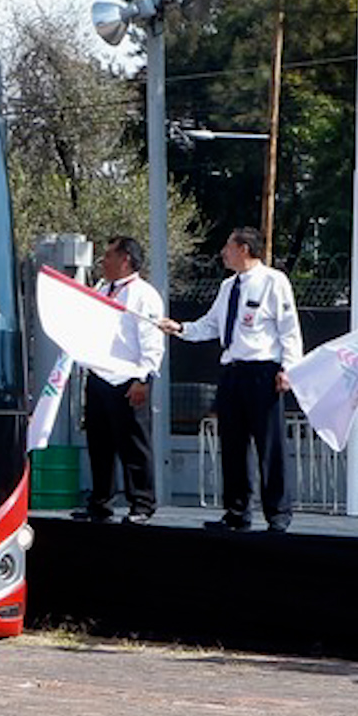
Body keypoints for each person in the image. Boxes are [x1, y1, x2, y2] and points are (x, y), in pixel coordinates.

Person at [159, 227, 304, 532]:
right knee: (233, 444)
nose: (223, 252)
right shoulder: (228, 286)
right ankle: (237, 511)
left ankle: (277, 513)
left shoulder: (273, 281)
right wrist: (181, 329)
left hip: (262, 371)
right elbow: (212, 325)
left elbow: (289, 329)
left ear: (244, 249)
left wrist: (289, 369)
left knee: (269, 445)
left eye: (228, 246)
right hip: (232, 371)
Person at [72, 236, 167, 524]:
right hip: (100, 375)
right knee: (99, 443)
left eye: (110, 256)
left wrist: (143, 378)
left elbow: (152, 339)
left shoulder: (143, 294)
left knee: (134, 444)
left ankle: (142, 503)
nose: (104, 261)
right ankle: (101, 502)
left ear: (125, 259)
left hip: (128, 377)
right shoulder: (102, 290)